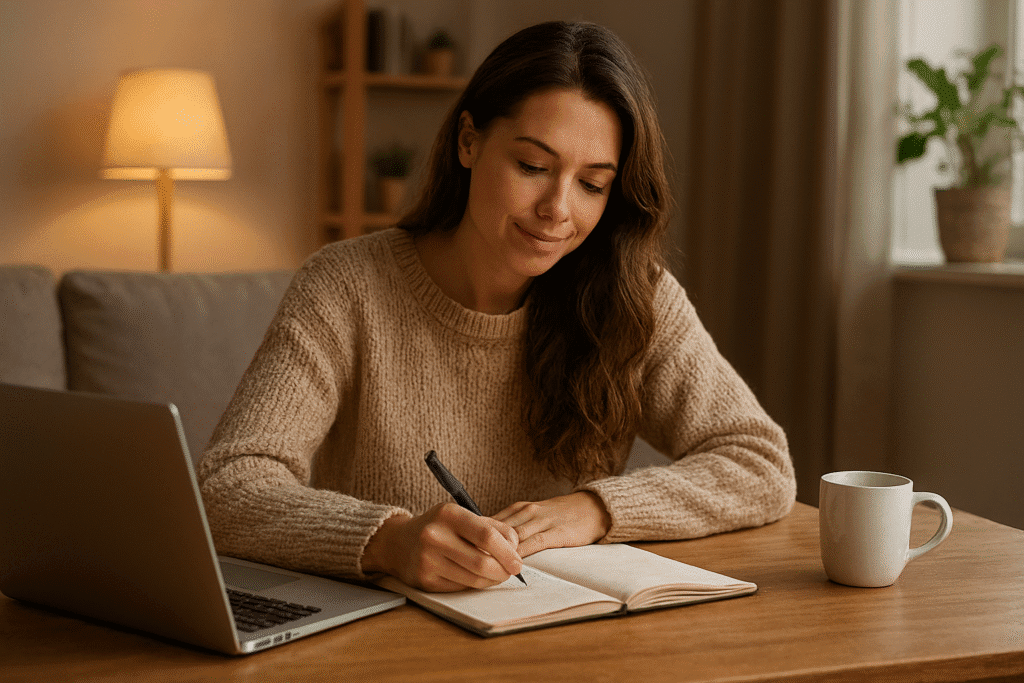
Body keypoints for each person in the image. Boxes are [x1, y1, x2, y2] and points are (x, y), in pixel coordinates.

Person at [198, 20, 795, 593]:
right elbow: (228, 487)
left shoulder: (634, 296)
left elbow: (760, 464)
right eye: (533, 166)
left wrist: (594, 510)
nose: (558, 209)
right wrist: (390, 540)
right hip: (379, 642)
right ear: (468, 141)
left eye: (592, 184)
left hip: (564, 639)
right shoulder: (345, 286)